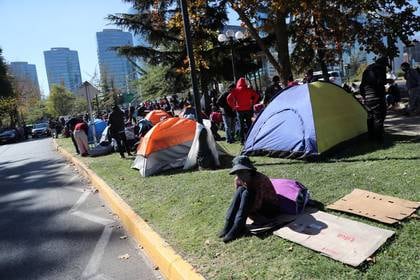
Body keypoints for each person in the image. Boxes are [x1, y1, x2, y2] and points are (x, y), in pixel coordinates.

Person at [219, 156, 282, 243]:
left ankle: (238, 226)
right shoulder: (238, 179)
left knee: (247, 193)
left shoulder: (259, 180)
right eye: (237, 172)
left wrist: (244, 214)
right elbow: (237, 201)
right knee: (241, 190)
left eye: (242, 172)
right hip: (254, 207)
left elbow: (257, 204)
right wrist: (237, 213)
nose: (240, 175)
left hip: (268, 208)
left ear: (249, 170)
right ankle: (228, 225)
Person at [359, 57, 388, 142]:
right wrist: (386, 81)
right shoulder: (379, 69)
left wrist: (364, 96)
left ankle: (371, 138)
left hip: (368, 98)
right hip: (377, 97)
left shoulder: (367, 70)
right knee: (379, 117)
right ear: (383, 64)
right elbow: (380, 82)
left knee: (370, 117)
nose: (385, 67)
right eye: (385, 65)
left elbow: (362, 85)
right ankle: (379, 140)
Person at [227, 78, 259, 145]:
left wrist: (233, 106)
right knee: (249, 125)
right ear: (245, 83)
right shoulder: (249, 90)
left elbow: (228, 98)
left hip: (239, 110)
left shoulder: (235, 90)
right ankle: (250, 139)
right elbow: (257, 96)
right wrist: (253, 103)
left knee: (241, 126)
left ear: (238, 83)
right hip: (248, 109)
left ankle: (242, 140)